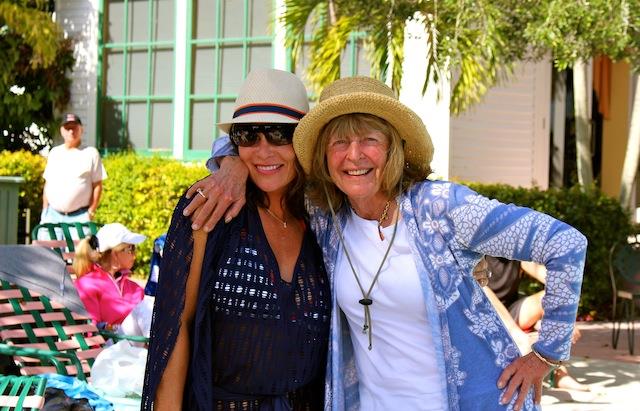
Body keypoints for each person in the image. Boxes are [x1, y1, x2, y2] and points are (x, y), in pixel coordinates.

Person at [189, 76, 588, 411]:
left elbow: (565, 244)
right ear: (324, 156)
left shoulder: (441, 207)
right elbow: (262, 153)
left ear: (393, 147)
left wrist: (546, 354)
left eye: (369, 140)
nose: (354, 156)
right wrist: (232, 165)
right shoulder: (327, 217)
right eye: (339, 143)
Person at [142, 69, 331, 411]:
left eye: (279, 134)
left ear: (303, 141)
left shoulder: (324, 223)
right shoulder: (210, 208)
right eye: (247, 135)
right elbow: (176, 327)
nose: (263, 150)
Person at [483, 256, 589, 391]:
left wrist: (563, 319)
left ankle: (559, 374)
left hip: (512, 311)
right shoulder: (479, 253)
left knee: (555, 294)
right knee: (481, 288)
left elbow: (559, 282)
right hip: (484, 313)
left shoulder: (514, 254)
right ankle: (520, 339)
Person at [73, 223, 145, 328]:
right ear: (115, 253)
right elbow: (90, 329)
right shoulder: (87, 285)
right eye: (131, 248)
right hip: (109, 337)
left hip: (139, 337)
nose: (134, 254)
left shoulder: (136, 289)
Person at [40, 113, 107, 225]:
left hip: (80, 217)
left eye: (74, 128)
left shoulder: (91, 153)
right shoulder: (54, 153)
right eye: (67, 128)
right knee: (43, 238)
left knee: (82, 238)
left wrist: (91, 211)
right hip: (52, 216)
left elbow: (98, 185)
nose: (71, 131)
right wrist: (45, 209)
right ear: (62, 131)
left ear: (81, 129)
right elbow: (48, 183)